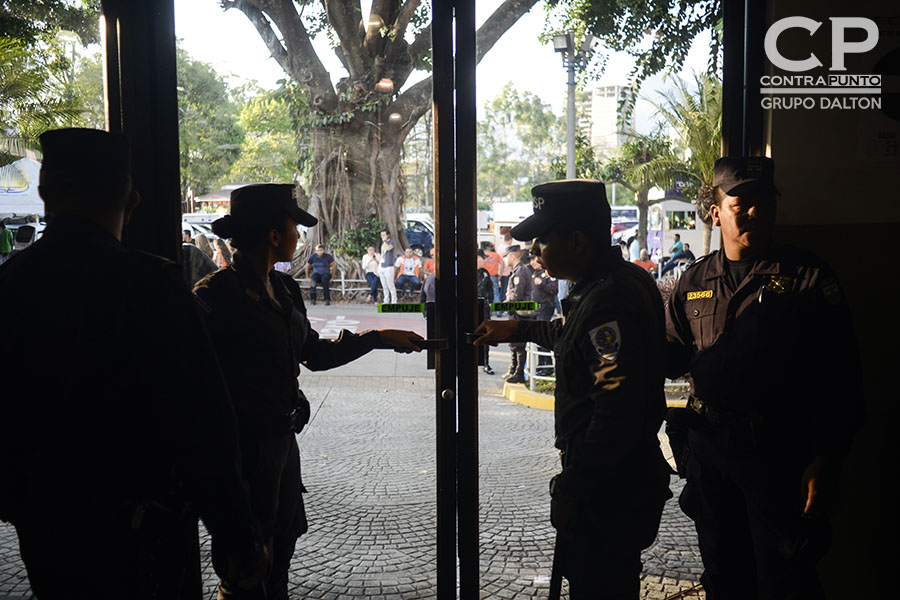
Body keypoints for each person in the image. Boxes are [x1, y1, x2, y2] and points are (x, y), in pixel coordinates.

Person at [0, 128, 265, 599]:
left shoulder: (10, 284)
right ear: (132, 201)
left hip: (46, 530)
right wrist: (237, 538)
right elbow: (204, 424)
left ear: (44, 192)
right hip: (145, 533)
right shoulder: (152, 287)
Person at [193, 183, 424, 600]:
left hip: (283, 445)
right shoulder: (214, 296)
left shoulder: (284, 290)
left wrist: (377, 337)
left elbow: (312, 354)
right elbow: (194, 383)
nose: (300, 237)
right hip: (242, 451)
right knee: (243, 564)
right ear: (273, 235)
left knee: (281, 547)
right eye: (293, 228)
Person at [664, 157, 862, 600]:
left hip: (779, 453)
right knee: (722, 574)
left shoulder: (807, 276)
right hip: (711, 452)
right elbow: (671, 355)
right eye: (741, 203)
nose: (754, 211)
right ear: (716, 213)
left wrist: (828, 456)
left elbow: (841, 373)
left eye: (764, 202)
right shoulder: (693, 280)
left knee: (784, 578)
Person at [474, 179, 671, 599]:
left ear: (577, 240)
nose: (535, 252)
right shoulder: (616, 283)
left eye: (544, 240)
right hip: (619, 478)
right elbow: (573, 338)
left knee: (599, 585)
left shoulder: (608, 302)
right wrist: (518, 328)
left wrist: (573, 485)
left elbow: (614, 414)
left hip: (608, 487)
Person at [501, 244, 533, 384]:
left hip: (519, 313)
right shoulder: (518, 270)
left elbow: (516, 296)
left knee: (518, 344)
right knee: (514, 343)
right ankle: (514, 369)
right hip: (515, 312)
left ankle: (519, 373)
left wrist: (504, 303)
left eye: (506, 256)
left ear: (512, 256)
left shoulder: (520, 272)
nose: (505, 260)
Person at [530, 253, 558, 374]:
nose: (533, 263)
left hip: (545, 307)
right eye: (531, 261)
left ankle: (547, 366)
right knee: (538, 337)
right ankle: (541, 365)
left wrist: (542, 283)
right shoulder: (534, 273)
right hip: (536, 309)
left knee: (543, 335)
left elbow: (554, 289)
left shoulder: (549, 273)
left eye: (535, 260)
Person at [476, 249, 495, 375]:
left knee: (485, 336)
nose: (485, 260)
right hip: (471, 309)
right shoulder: (465, 271)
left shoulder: (485, 273)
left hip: (484, 309)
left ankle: (485, 363)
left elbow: (490, 290)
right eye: (483, 258)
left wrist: (490, 302)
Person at [379, 229, 398, 304]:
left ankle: (394, 301)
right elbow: (382, 254)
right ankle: (386, 300)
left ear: (388, 235)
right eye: (381, 235)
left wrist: (384, 241)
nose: (382, 236)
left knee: (391, 285)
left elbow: (389, 248)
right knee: (384, 286)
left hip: (389, 267)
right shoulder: (383, 244)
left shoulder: (391, 242)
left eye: (384, 235)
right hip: (382, 266)